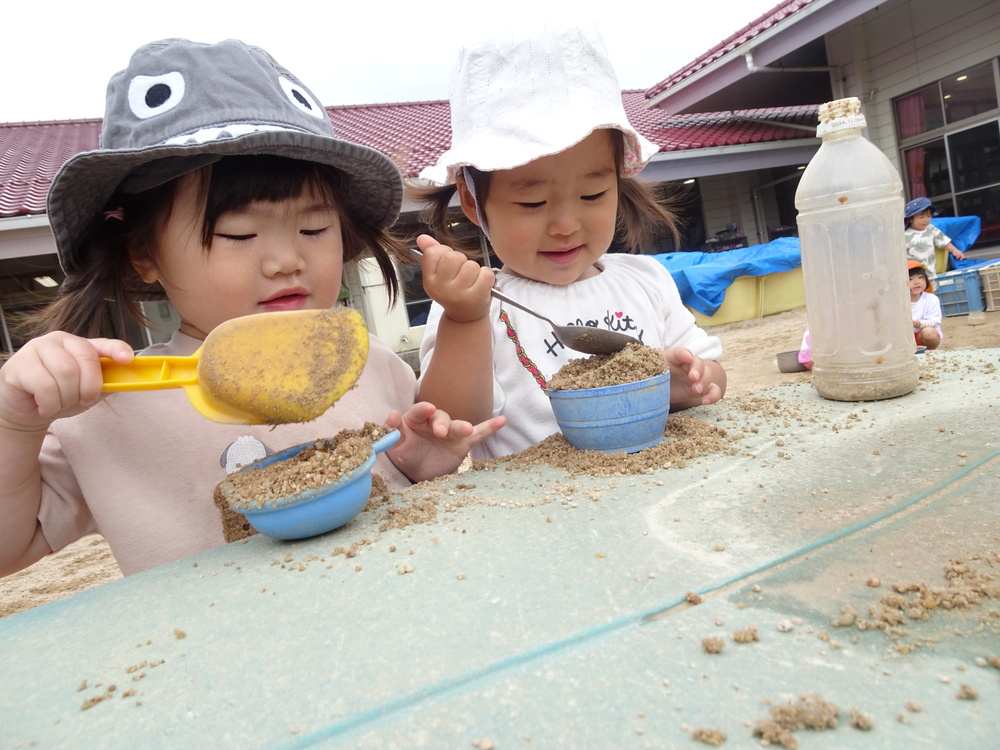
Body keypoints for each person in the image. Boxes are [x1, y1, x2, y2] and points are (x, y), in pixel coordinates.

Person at [0, 38, 504, 578]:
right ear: (145, 253)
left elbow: (449, 431)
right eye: (239, 234)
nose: (287, 260)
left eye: (314, 228)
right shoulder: (104, 410)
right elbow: (12, 549)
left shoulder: (365, 363)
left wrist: (416, 464)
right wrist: (16, 423)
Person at [410, 23, 726, 460]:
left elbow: (713, 376)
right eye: (532, 202)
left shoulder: (645, 280)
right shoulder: (476, 305)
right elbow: (452, 423)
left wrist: (688, 383)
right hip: (545, 515)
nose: (564, 225)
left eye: (592, 195)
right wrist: (465, 321)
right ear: (472, 200)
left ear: (618, 180)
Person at [904, 197, 965, 281]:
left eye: (929, 216)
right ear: (910, 218)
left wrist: (954, 250)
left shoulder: (931, 229)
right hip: (914, 275)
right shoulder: (905, 235)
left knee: (931, 290)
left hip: (930, 272)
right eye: (921, 217)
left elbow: (943, 241)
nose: (926, 220)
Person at [908, 260, 943, 350]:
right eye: (910, 279)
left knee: (929, 333)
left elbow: (935, 320)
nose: (916, 282)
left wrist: (918, 324)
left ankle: (929, 352)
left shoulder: (931, 299)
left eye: (920, 277)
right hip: (905, 338)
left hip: (922, 335)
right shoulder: (898, 301)